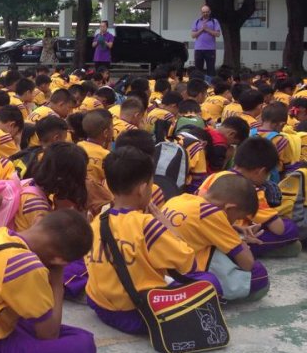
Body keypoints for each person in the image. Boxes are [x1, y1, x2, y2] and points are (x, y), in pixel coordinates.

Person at [85, 146, 215, 335]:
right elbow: (189, 265)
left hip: (98, 304)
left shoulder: (98, 221)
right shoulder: (147, 224)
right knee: (210, 281)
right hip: (135, 314)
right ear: (143, 189)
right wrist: (168, 226)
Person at [0, 209, 96, 353]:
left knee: (39, 321)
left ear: (37, 221)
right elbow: (49, 334)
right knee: (83, 343)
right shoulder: (27, 264)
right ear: (59, 261)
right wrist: (58, 284)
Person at [161, 174, 269, 302]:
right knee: (259, 275)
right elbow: (247, 263)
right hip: (179, 274)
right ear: (229, 208)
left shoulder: (179, 199)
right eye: (238, 218)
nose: (237, 222)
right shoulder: (211, 213)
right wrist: (239, 240)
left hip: (161, 267)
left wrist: (232, 228)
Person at [199, 137, 301, 258]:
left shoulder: (213, 177)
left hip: (204, 232)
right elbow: (279, 229)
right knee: (291, 230)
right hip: (230, 239)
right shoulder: (250, 190)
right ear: (260, 171)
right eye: (267, 174)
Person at [191, 5, 221, 76]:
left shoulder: (214, 21)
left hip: (210, 49)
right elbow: (193, 35)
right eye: (203, 12)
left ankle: (210, 82)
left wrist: (207, 29)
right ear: (201, 13)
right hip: (198, 49)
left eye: (207, 12)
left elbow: (218, 34)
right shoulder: (196, 21)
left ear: (210, 12)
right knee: (198, 70)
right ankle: (198, 82)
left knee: (211, 69)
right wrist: (202, 29)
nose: (205, 13)